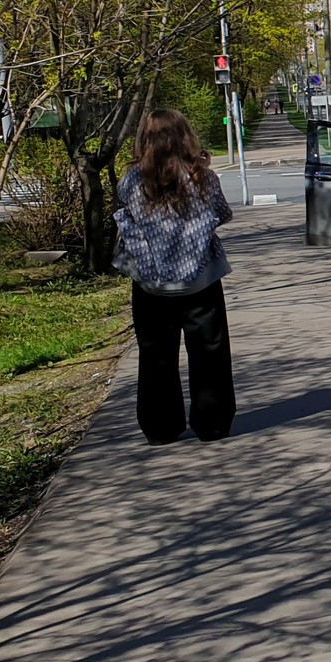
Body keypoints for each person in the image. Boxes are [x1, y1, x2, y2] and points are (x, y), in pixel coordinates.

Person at [114, 109, 237, 443]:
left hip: (150, 283)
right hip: (202, 280)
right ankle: (213, 424)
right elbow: (223, 214)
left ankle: (161, 426)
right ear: (186, 136)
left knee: (156, 354)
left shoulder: (131, 180)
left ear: (145, 138)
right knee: (209, 352)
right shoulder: (203, 178)